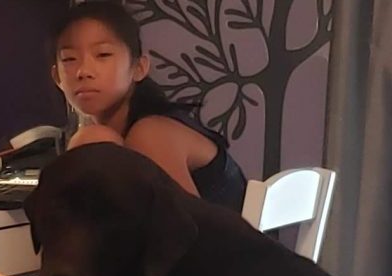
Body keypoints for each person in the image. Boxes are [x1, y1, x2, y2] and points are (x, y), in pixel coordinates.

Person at [51, 1, 246, 211]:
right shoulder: (103, 135)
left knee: (92, 141)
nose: (83, 71)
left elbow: (186, 228)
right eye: (69, 59)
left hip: (218, 234)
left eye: (103, 55)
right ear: (56, 77)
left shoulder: (151, 134)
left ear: (139, 68)